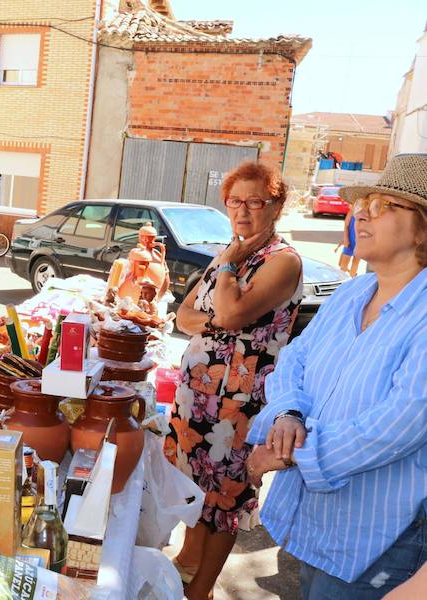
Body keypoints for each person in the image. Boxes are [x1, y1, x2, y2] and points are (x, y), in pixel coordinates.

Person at [246, 153, 427, 599]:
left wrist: (288, 455)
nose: (361, 212)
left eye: (385, 206)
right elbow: (295, 361)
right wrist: (287, 415)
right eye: (364, 202)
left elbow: (400, 423)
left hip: (376, 541)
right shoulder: (353, 292)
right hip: (319, 527)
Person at [165, 161, 303, 600]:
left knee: (226, 497)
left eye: (255, 201)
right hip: (195, 401)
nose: (242, 211)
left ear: (276, 205)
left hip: (238, 405)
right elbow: (183, 314)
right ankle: (188, 564)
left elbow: (230, 313)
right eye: (234, 201)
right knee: (195, 489)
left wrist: (226, 278)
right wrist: (217, 316)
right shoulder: (231, 252)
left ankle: (200, 591)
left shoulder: (282, 262)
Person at [336, 210, 361, 276]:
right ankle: (342, 278)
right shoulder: (352, 212)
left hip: (360, 241)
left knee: (356, 261)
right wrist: (346, 239)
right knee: (343, 264)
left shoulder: (366, 213)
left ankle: (352, 277)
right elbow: (346, 226)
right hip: (350, 240)